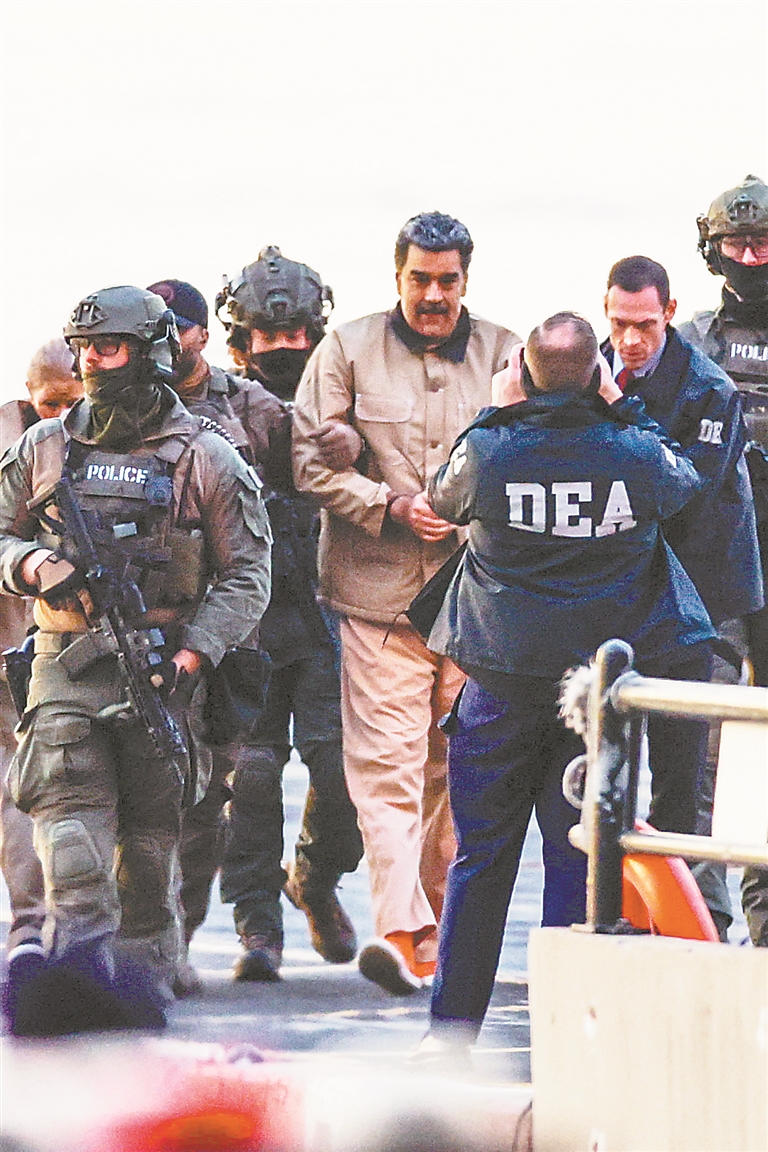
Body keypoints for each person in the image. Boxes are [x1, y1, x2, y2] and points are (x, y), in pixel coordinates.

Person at [412, 312, 715, 1062]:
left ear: (521, 372)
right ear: (596, 375)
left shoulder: (490, 451)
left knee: (480, 862)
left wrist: (496, 410)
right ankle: (562, 1042)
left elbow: (442, 497)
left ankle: (450, 1036)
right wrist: (622, 404)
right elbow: (685, 484)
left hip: (499, 687)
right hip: (594, 700)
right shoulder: (635, 451)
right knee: (575, 861)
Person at [0, 286, 272, 1026]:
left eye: (109, 347)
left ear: (150, 353)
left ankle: (142, 989)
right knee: (73, 854)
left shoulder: (206, 456)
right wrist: (32, 565)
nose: (92, 361)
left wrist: (196, 655)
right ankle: (79, 993)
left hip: (163, 674)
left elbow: (248, 574)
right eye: (84, 347)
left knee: (150, 861)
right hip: (64, 668)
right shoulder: (44, 447)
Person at [293, 211, 518, 994]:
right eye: (419, 279)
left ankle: (437, 936)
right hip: (376, 602)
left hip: (473, 604)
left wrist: (472, 512)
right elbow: (309, 464)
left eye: (447, 281)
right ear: (397, 276)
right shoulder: (345, 349)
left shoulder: (507, 352)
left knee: (452, 773)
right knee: (385, 770)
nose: (433, 295)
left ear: (466, 280)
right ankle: (400, 930)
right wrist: (386, 504)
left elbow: (533, 453)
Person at [154, 256, 362, 985]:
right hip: (241, 621)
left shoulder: (332, 393)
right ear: (238, 338)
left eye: (297, 333)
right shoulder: (197, 407)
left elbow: (342, 460)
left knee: (340, 768)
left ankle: (315, 878)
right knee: (252, 778)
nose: (283, 347)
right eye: (267, 335)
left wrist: (348, 442)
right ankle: (258, 928)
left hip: (323, 608)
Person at [602, 255, 763, 938]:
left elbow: (680, 489)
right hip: (625, 585)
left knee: (690, 765)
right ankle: (618, 909)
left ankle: (701, 922)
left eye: (644, 324)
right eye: (619, 323)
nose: (630, 339)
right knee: (605, 762)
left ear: (669, 314)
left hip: (704, 592)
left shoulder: (709, 388)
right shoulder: (593, 364)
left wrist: (619, 410)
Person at [677, 175, 768, 945]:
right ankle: (700, 913)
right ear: (712, 252)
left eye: (762, 245)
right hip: (717, 571)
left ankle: (765, 917)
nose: (750, 259)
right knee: (702, 744)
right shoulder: (692, 343)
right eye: (737, 245)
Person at [1, 338, 81, 964]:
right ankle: (32, 925)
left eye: (71, 401)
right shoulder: (19, 448)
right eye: (50, 402)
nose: (61, 415)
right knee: (22, 786)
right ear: (29, 395)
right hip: (17, 644)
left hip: (66, 643)